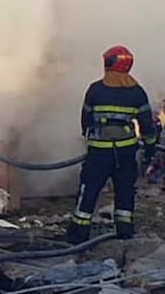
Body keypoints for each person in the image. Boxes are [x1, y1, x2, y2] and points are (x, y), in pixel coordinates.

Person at [67, 45, 160, 242]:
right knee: (125, 192)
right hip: (126, 153)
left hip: (98, 153)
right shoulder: (136, 92)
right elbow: (147, 126)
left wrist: (88, 137)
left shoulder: (96, 89)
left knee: (89, 191)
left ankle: (78, 234)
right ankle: (124, 233)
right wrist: (150, 150)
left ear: (109, 64)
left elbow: (86, 118)